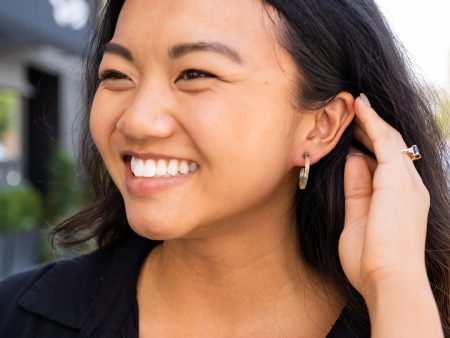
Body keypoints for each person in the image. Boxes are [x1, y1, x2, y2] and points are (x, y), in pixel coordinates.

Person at [1, 0, 449, 337]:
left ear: (320, 126)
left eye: (195, 74)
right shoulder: (17, 317)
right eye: (116, 74)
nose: (136, 119)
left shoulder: (413, 314)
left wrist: (395, 285)